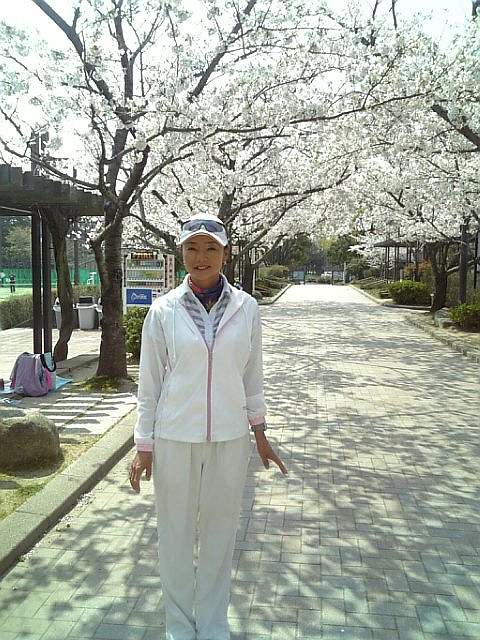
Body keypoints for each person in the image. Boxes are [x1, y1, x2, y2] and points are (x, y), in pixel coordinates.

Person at [130, 213, 287, 640]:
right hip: (174, 437)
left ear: (225, 254)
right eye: (192, 248)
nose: (201, 257)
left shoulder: (246, 307)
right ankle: (180, 627)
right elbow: (149, 383)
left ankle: (214, 625)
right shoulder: (163, 310)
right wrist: (144, 444)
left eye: (210, 248)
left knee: (220, 536)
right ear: (181, 253)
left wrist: (260, 432)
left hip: (230, 439)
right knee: (175, 536)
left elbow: (252, 375)